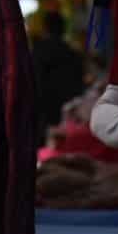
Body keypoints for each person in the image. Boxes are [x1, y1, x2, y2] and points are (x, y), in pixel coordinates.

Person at [31, 10, 86, 146]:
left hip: (45, 113)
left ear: (45, 28)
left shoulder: (38, 51)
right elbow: (80, 83)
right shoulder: (73, 53)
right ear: (63, 29)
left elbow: (33, 82)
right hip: (70, 114)